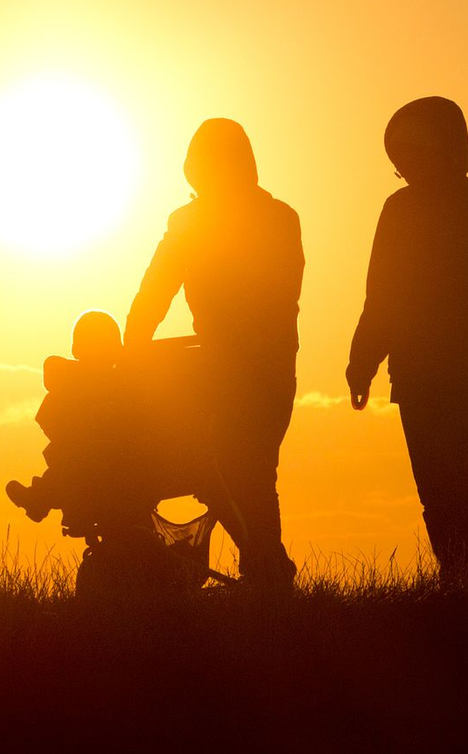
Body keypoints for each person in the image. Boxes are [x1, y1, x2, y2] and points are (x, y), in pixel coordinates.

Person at [346, 97, 468, 585]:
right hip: (414, 371)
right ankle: (458, 575)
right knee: (434, 479)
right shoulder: (398, 209)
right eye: (400, 163)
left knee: (449, 465)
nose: (407, 170)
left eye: (413, 156)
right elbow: (382, 296)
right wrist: (361, 363)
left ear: (447, 149)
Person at [125, 118, 304, 588]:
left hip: (256, 367)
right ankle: (268, 573)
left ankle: (269, 571)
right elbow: (155, 289)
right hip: (246, 367)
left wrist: (134, 344)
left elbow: (280, 294)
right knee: (243, 472)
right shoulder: (267, 218)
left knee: (238, 469)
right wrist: (135, 340)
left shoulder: (267, 219)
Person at [5, 310, 147, 537]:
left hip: (113, 456)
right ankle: (40, 498)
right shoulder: (84, 384)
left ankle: (40, 499)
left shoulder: (117, 385)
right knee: (70, 457)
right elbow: (50, 417)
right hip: (92, 455)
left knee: (72, 459)